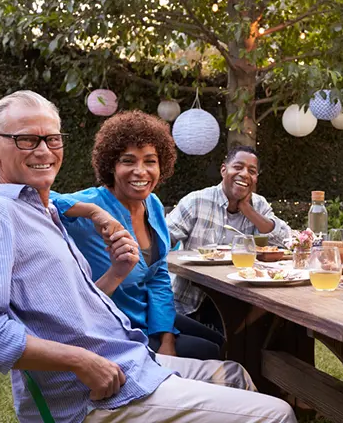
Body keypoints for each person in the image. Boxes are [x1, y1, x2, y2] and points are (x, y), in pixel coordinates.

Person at [0, 90, 296, 423]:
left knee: (235, 372)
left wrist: (119, 272)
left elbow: (80, 304)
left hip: (129, 358)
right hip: (96, 393)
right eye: (27, 139)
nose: (44, 150)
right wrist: (81, 361)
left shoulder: (43, 215)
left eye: (52, 139)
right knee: (277, 413)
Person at [51, 110, 224, 361]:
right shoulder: (91, 204)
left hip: (149, 314)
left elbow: (158, 277)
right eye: (128, 161)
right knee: (210, 351)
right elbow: (33, 196)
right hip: (115, 326)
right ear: (112, 165)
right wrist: (93, 212)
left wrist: (166, 337)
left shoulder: (151, 204)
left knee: (220, 340)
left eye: (150, 161)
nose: (140, 171)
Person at [166, 145, 291, 317]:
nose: (245, 174)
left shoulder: (259, 204)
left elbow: (286, 241)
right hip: (189, 302)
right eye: (238, 167)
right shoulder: (196, 202)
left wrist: (249, 211)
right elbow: (161, 241)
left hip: (241, 303)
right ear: (224, 170)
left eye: (252, 171)